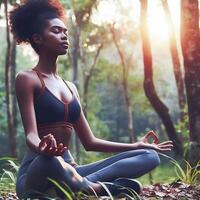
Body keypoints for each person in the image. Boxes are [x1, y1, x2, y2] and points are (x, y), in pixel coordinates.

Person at [9, 0, 173, 199]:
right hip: (37, 172)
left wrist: (136, 145)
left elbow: (90, 141)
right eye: (56, 31)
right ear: (38, 38)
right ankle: (89, 188)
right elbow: (31, 135)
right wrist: (42, 147)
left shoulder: (70, 87)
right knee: (51, 162)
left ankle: (77, 187)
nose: (64, 36)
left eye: (65, 32)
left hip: (71, 171)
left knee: (150, 156)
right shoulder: (27, 79)